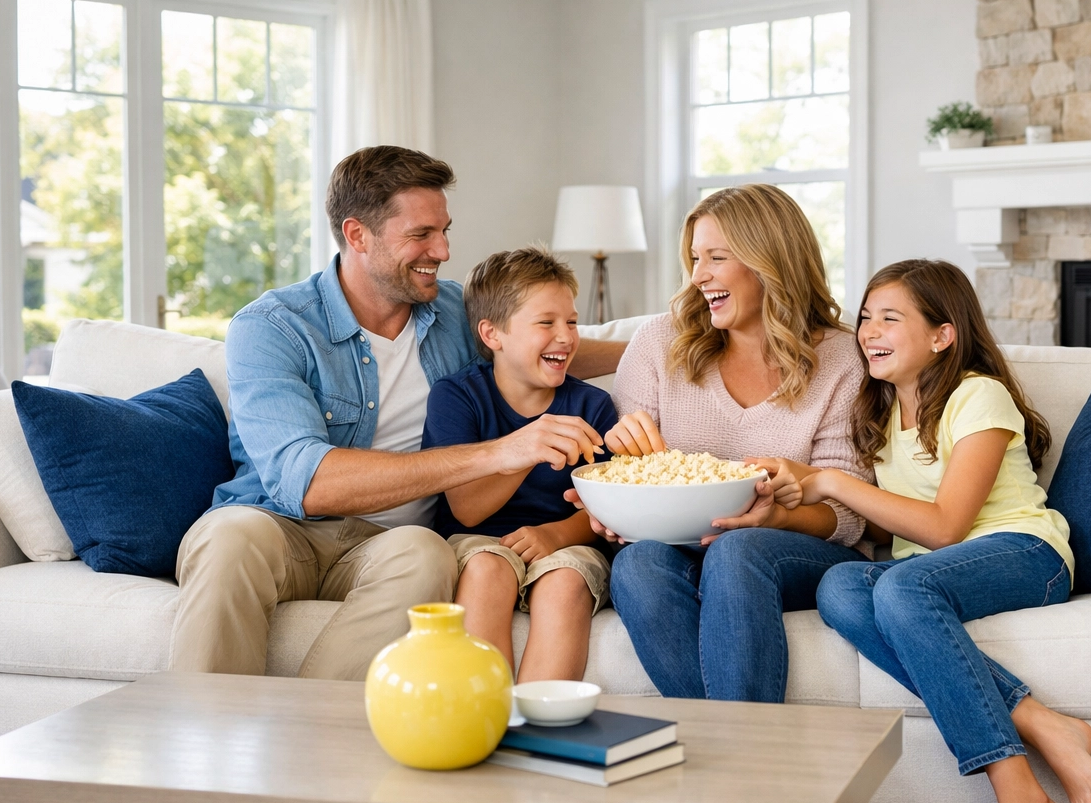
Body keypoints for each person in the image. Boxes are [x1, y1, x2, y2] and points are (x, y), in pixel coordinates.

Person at [170, 146, 622, 681]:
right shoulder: (274, 327)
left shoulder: (453, 312)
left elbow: (538, 347)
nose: (444, 250)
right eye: (421, 235)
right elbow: (307, 481)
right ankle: (204, 740)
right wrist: (499, 453)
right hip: (278, 527)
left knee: (426, 553)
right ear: (357, 234)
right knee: (229, 538)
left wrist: (664, 348)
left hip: (390, 545)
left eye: (445, 230)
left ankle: (319, 737)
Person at [806, 259, 1091, 803]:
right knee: (839, 586)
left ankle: (1022, 801)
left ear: (942, 335)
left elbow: (946, 527)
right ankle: (1038, 720)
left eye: (890, 318)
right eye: (865, 317)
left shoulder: (979, 394)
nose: (868, 331)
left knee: (901, 586)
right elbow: (891, 537)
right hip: (925, 574)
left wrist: (833, 483)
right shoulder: (881, 410)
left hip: (1027, 554)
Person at [576, 183, 873, 703]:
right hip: (676, 546)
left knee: (736, 552)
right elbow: (623, 472)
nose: (699, 276)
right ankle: (740, 764)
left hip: (791, 550)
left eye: (717, 257)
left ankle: (736, 762)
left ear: (770, 261)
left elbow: (846, 515)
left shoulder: (843, 359)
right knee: (638, 563)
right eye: (694, 258)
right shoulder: (659, 343)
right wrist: (614, 497)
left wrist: (778, 517)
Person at [423, 247, 617, 684]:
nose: (565, 337)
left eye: (571, 321)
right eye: (546, 323)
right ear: (493, 334)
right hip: (476, 541)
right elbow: (467, 511)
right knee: (488, 568)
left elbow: (608, 507)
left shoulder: (593, 405)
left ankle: (539, 728)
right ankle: (481, 713)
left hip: (566, 543)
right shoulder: (456, 397)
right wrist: (524, 448)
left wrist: (557, 534)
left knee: (566, 581)